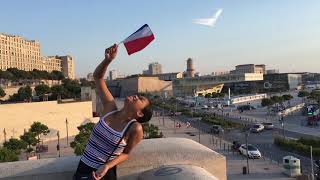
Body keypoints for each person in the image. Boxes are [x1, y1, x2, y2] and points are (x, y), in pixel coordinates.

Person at [74, 44, 153, 180]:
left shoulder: (135, 128)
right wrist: (108, 60)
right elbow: (98, 78)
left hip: (102, 174)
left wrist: (107, 166)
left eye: (140, 98)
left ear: (140, 113)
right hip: (82, 169)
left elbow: (126, 153)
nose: (135, 96)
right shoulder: (110, 108)